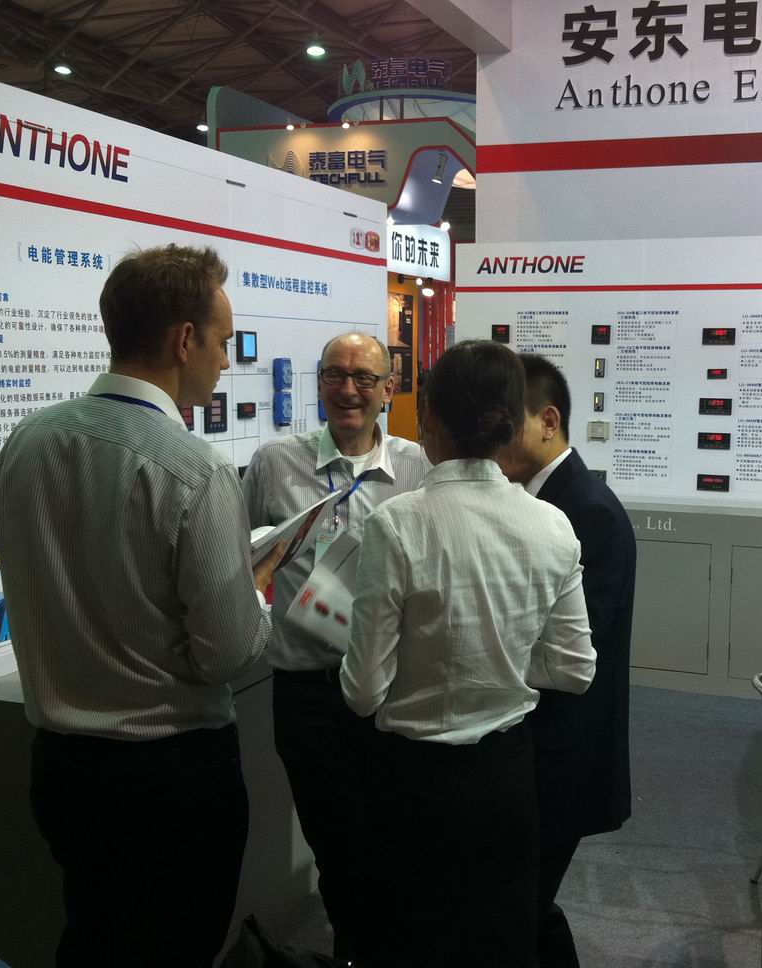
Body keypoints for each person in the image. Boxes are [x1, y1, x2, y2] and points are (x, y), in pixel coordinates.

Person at [0, 244, 283, 967]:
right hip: (169, 781)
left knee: (94, 937)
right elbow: (229, 652)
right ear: (184, 339)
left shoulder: (26, 444)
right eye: (221, 342)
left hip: (62, 769)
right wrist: (256, 587)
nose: (225, 361)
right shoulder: (194, 469)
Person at [340, 340, 598, 968]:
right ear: (510, 423)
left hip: (413, 783)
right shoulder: (552, 524)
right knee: (500, 939)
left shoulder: (397, 524)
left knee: (405, 941)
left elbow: (363, 691)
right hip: (508, 779)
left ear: (428, 417)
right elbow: (575, 668)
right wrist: (499, 659)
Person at [240, 332, 429, 963]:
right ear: (318, 382)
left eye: (364, 378)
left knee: (390, 837)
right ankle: (354, 947)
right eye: (334, 375)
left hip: (389, 690)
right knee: (333, 841)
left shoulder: (416, 468)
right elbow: (243, 558)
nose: (348, 390)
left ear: (389, 389)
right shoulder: (275, 463)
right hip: (306, 692)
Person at [497, 353, 637, 968]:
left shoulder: (588, 511)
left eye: (506, 424)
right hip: (530, 747)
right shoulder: (531, 499)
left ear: (548, 421)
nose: (494, 439)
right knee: (522, 906)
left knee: (518, 907)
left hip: (561, 751)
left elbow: (579, 651)